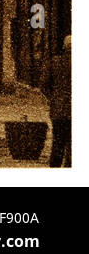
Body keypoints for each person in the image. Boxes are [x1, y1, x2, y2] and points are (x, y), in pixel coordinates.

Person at [43, 35, 71, 167]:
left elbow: (43, 84)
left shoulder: (55, 62)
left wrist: (52, 97)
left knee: (58, 143)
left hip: (59, 108)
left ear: (64, 47)